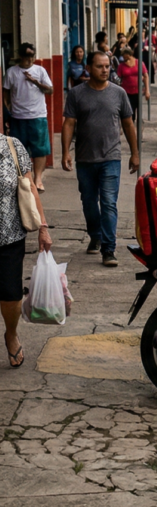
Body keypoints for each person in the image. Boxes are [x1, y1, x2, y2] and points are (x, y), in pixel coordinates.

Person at [61, 52, 140, 267]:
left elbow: (128, 124)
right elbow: (69, 123)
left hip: (111, 158)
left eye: (107, 66)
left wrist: (135, 153)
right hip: (85, 159)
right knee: (88, 202)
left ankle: (108, 248)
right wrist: (65, 152)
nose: (105, 70)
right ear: (88, 68)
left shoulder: (119, 93)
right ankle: (95, 234)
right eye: (99, 66)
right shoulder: (77, 94)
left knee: (108, 203)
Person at [0, 132, 54, 368]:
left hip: (8, 235)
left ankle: (11, 333)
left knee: (11, 294)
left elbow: (30, 187)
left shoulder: (13, 146)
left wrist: (43, 227)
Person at [4, 43, 54, 193]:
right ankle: (25, 179)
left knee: (40, 149)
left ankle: (38, 178)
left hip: (37, 115)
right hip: (18, 117)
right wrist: (8, 111)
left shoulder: (40, 70)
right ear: (20, 56)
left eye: (32, 55)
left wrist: (35, 82)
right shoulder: (12, 72)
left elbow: (50, 90)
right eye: (27, 56)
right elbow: (5, 94)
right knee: (19, 150)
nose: (30, 59)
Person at [117, 47, 149, 120]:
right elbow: (118, 78)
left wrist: (147, 90)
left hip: (138, 91)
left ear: (129, 54)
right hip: (126, 92)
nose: (124, 58)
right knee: (130, 112)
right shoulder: (121, 66)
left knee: (139, 111)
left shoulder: (139, 63)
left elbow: (146, 76)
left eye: (125, 55)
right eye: (123, 56)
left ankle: (139, 127)